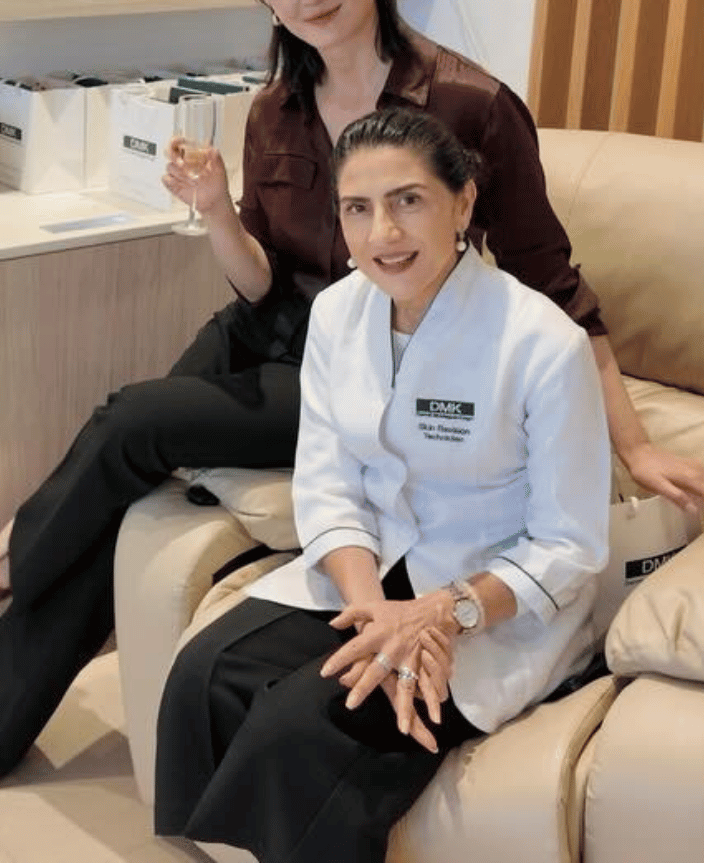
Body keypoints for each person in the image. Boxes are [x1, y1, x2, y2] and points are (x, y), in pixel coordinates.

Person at [0, 0, 704, 809]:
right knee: (126, 457)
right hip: (275, 328)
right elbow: (259, 279)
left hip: (365, 356)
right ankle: (7, 676)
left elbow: (552, 282)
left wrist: (634, 443)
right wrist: (216, 212)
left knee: (132, 425)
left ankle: (10, 610)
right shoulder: (273, 108)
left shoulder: (471, 103)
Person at [155, 107, 612, 863]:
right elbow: (328, 481)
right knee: (208, 670)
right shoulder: (338, 314)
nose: (383, 234)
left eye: (409, 201)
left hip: (491, 598)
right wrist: (372, 613)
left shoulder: (542, 344)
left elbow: (571, 544)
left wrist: (440, 615)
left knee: (313, 720)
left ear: (462, 204)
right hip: (376, 567)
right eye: (358, 209)